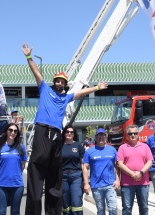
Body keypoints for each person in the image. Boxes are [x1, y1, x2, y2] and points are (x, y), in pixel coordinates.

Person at [21, 43, 109, 215]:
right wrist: (29, 57)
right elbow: (36, 73)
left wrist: (98, 87)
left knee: (55, 172)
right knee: (37, 167)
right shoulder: (45, 89)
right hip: (42, 131)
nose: (60, 83)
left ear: (65, 84)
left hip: (56, 134)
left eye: (62, 82)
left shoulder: (66, 97)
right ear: (54, 82)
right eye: (58, 81)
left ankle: (53, 212)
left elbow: (82, 93)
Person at [117, 125, 153, 215]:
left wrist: (141, 173)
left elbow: (150, 161)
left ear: (138, 134)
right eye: (130, 133)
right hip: (127, 184)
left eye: (135, 133)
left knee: (144, 208)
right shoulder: (122, 148)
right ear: (127, 135)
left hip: (143, 183)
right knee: (127, 209)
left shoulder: (145, 147)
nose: (133, 135)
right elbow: (119, 163)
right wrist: (132, 174)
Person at [82, 128, 120, 215]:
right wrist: (86, 183)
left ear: (106, 136)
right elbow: (85, 167)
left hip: (110, 185)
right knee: (100, 210)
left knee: (113, 209)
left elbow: (117, 166)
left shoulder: (112, 150)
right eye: (99, 136)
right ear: (95, 137)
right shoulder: (89, 151)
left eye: (103, 135)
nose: (101, 138)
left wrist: (117, 180)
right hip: (96, 186)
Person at [0, 123, 27, 215]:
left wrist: (15, 174)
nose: (13, 132)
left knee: (15, 212)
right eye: (10, 130)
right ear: (6, 131)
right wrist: (1, 175)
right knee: (1, 212)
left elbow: (22, 165)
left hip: (17, 185)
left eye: (15, 131)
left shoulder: (21, 147)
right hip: (1, 185)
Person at [61, 125, 84, 215]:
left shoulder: (78, 145)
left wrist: (85, 180)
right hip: (63, 177)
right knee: (65, 203)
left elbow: (83, 164)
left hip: (76, 176)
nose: (69, 133)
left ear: (74, 134)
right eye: (67, 132)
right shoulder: (60, 145)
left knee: (76, 202)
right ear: (64, 133)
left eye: (71, 132)